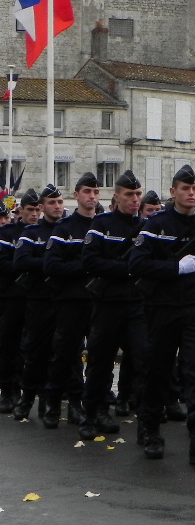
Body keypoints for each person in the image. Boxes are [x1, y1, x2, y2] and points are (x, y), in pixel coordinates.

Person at [129, 164, 195, 465]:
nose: (192, 193)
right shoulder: (156, 224)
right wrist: (173, 269)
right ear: (173, 192)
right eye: (185, 188)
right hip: (162, 308)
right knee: (158, 371)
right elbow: (137, 264)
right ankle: (151, 428)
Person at [79, 169, 146, 441]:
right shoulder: (102, 224)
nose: (135, 200)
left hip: (136, 305)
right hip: (107, 304)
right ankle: (92, 413)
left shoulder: (145, 226)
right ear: (116, 197)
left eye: (138, 195)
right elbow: (90, 261)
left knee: (143, 361)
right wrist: (126, 269)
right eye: (129, 195)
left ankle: (146, 419)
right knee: (100, 362)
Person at [42, 172, 102, 429]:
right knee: (65, 353)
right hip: (71, 299)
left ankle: (86, 406)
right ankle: (54, 404)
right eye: (87, 192)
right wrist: (85, 267)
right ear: (76, 195)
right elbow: (51, 264)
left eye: (95, 192)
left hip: (98, 300)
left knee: (99, 355)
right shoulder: (64, 228)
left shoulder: (103, 226)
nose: (92, 196)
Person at [12, 184, 65, 422]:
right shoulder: (31, 234)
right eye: (52, 203)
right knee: (34, 352)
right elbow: (21, 261)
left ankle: (50, 399)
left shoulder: (68, 230)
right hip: (38, 300)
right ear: (42, 207)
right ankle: (27, 398)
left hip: (64, 300)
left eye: (60, 202)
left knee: (62, 353)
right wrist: (53, 263)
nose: (57, 207)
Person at [0, 190, 40, 414]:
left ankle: (30, 388)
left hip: (37, 297)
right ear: (21, 210)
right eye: (30, 210)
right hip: (13, 296)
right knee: (10, 344)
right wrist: (27, 265)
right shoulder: (8, 233)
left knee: (34, 346)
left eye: (37, 209)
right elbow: (3, 264)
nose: (34, 214)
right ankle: (8, 389)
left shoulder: (44, 232)